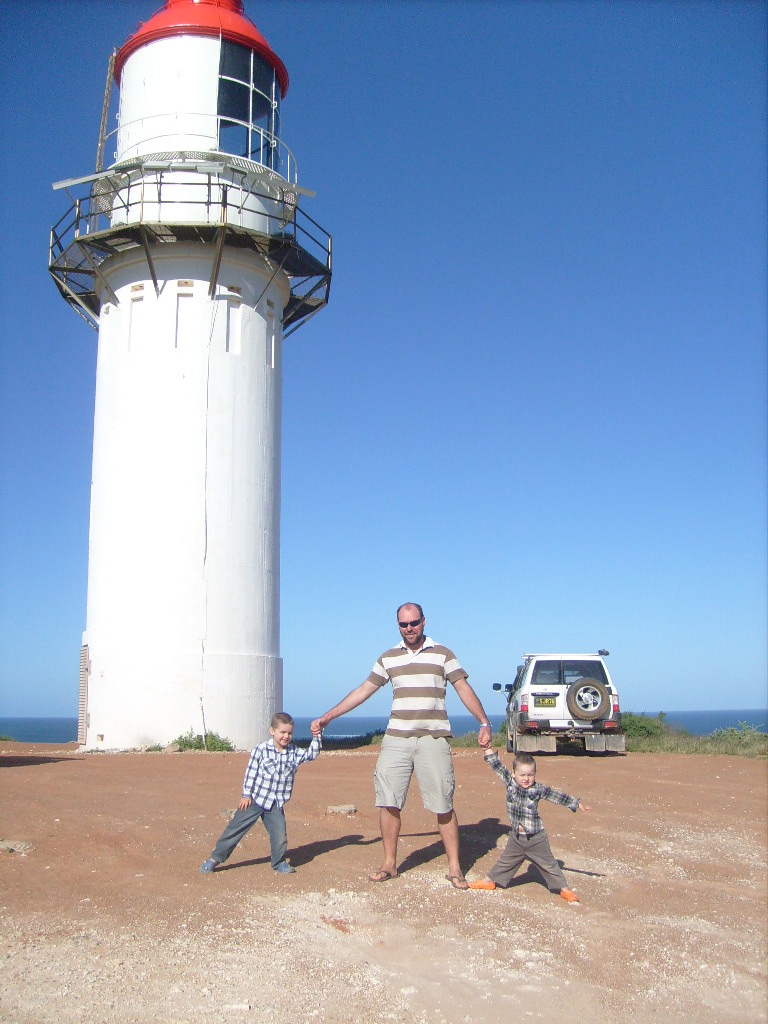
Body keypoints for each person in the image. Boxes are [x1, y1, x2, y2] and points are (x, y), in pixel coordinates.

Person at [311, 603, 493, 890]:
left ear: (424, 622)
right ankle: (389, 864)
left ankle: (455, 869)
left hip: (433, 739)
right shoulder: (388, 658)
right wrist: (328, 717)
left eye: (414, 623)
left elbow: (463, 689)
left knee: (443, 803)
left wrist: (483, 721)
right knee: (388, 801)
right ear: (398, 625)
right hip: (396, 738)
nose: (409, 629)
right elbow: (364, 690)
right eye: (403, 624)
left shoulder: (443, 654)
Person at [200, 712, 321, 876]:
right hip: (255, 800)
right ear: (272, 731)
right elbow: (251, 773)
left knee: (280, 835)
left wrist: (317, 735)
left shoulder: (293, 752)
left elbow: (311, 754)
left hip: (275, 804)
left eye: (289, 733)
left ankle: (278, 863)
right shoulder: (261, 750)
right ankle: (214, 859)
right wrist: (246, 795)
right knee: (234, 830)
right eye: (282, 732)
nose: (286, 736)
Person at [468, 750, 592, 903]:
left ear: (535, 774)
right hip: (517, 837)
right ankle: (489, 881)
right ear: (513, 773)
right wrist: (488, 749)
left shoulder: (538, 789)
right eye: (522, 775)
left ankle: (565, 890)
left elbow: (557, 796)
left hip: (536, 838)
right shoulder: (509, 782)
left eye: (530, 775)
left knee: (549, 865)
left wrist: (576, 803)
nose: (526, 778)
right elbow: (497, 766)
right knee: (506, 860)